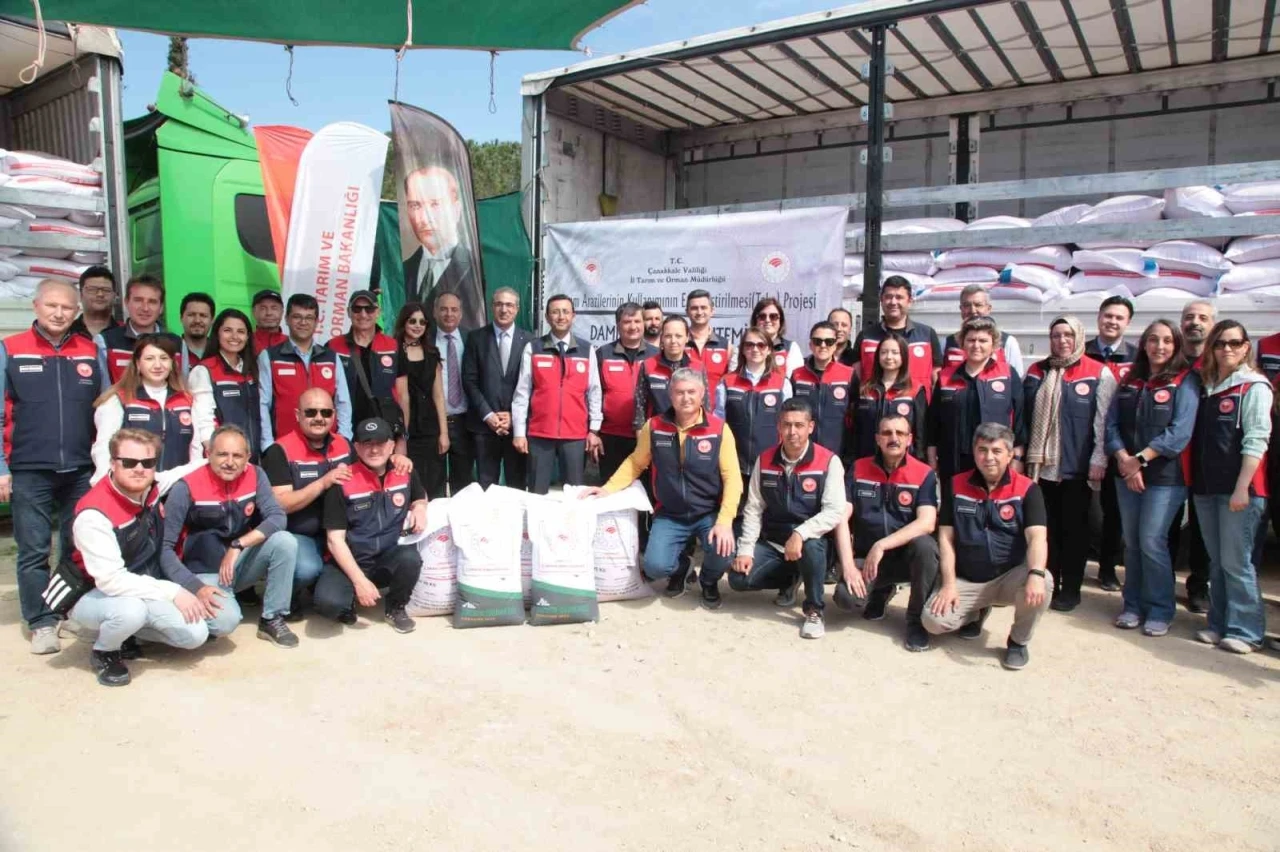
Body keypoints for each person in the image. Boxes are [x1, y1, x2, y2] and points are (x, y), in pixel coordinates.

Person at [0, 279, 109, 654]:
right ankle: (41, 621)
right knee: (33, 549)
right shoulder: (11, 349)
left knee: (76, 545)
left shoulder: (90, 351)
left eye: (67, 307)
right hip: (29, 468)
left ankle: (68, 609)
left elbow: (105, 409)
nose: (59, 314)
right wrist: (2, 468)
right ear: (36, 306)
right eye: (52, 306)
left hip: (80, 469)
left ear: (76, 311)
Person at [61, 429, 211, 686]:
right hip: (90, 591)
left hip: (137, 584)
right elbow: (111, 581)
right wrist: (174, 591)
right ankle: (105, 651)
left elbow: (181, 471)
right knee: (131, 611)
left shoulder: (151, 486)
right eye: (129, 462)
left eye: (148, 462)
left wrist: (216, 456)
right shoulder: (94, 514)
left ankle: (127, 633)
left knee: (195, 634)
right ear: (112, 463)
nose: (139, 469)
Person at [581, 368, 739, 604]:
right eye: (679, 392)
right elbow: (636, 462)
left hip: (707, 513)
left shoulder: (718, 429)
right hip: (670, 514)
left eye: (691, 392)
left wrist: (724, 521)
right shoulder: (654, 427)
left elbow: (732, 478)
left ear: (702, 393)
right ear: (670, 394)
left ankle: (708, 581)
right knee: (654, 567)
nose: (686, 398)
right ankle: (682, 568)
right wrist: (607, 489)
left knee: (724, 551)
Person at [924, 423, 1050, 670]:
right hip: (968, 579)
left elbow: (1037, 538)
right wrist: (949, 584)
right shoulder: (955, 485)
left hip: (1009, 577)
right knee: (933, 622)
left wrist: (1035, 574)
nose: (988, 457)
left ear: (1010, 454)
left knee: (1044, 581)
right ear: (974, 452)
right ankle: (976, 612)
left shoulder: (1028, 489)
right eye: (982, 450)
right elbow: (946, 539)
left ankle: (1018, 642)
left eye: (996, 451)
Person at [160, 425, 299, 646]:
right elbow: (164, 549)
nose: (230, 462)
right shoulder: (185, 487)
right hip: (203, 574)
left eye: (237, 455)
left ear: (247, 457)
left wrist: (238, 545)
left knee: (284, 541)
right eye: (222, 454)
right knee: (226, 623)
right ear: (209, 454)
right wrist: (195, 587)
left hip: (237, 564)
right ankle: (195, 607)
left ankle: (272, 617)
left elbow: (277, 517)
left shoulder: (255, 474)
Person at [1105, 319, 1201, 637]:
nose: (1160, 346)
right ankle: (1132, 605)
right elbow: (1111, 425)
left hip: (1165, 478)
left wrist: (1139, 461)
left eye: (1167, 341)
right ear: (1144, 344)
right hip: (1126, 473)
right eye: (1153, 340)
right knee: (1132, 543)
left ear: (1176, 345)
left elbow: (1179, 433)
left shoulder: (1185, 380)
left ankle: (1160, 609)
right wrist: (1124, 459)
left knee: (1151, 541)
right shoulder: (1131, 379)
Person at [1022, 316, 1115, 611]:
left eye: (1068, 335)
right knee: (1045, 530)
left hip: (1077, 468)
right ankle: (1050, 584)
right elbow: (1024, 416)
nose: (1062, 341)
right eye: (1056, 335)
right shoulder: (1037, 371)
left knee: (1074, 532)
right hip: (1040, 468)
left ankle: (1071, 590)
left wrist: (1099, 459)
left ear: (1079, 337)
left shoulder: (1098, 373)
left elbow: (1104, 422)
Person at [732, 398, 846, 639]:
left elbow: (834, 511)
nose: (792, 431)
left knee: (812, 547)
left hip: (813, 543)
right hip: (775, 543)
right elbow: (754, 508)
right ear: (779, 427)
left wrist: (800, 533)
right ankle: (791, 578)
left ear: (810, 427)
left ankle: (814, 610)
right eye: (786, 425)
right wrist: (746, 550)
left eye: (799, 425)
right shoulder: (765, 460)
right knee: (738, 579)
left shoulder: (829, 461)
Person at [1190, 320, 1272, 654]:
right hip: (1206, 487)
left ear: (1246, 347)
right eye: (1220, 343)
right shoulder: (1208, 386)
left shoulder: (1254, 387)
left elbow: (1257, 440)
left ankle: (1246, 631)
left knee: (1237, 563)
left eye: (1234, 343)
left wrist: (1242, 487)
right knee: (1217, 561)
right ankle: (1219, 623)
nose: (1226, 349)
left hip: (1240, 491)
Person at [835, 413, 939, 652]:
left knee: (925, 546)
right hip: (869, 561)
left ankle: (915, 621)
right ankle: (881, 592)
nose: (894, 438)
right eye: (887, 433)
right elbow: (841, 517)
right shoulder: (858, 468)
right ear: (877, 439)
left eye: (900, 433)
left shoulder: (924, 473)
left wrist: (881, 545)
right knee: (845, 598)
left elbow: (927, 523)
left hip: (907, 559)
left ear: (909, 439)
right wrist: (848, 566)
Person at [315, 417, 427, 632]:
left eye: (380, 443)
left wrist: (420, 508)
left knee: (410, 558)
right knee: (328, 604)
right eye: (367, 444)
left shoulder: (405, 471)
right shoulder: (342, 481)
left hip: (387, 558)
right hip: (350, 562)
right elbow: (334, 540)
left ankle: (396, 607)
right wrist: (359, 581)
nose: (374, 450)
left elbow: (419, 496)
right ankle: (349, 600)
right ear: (357, 447)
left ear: (391, 446)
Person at [511, 294, 603, 494]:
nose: (561, 316)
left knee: (575, 495)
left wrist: (594, 430)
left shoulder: (587, 350)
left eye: (565, 312)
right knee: (537, 495)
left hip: (575, 435)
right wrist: (519, 432)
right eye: (555, 312)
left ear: (573, 316)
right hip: (539, 434)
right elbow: (522, 393)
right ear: (547, 316)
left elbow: (595, 392)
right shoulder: (533, 348)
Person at [928, 316, 1025, 489]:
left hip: (993, 459)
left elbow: (1020, 419)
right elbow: (933, 419)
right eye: (971, 340)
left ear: (993, 344)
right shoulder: (946, 376)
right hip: (954, 459)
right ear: (962, 343)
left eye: (983, 340)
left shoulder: (1008, 374)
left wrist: (1017, 457)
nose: (976, 345)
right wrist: (931, 453)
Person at [91, 334, 201, 482]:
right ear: (137, 363)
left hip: (178, 485)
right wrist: (107, 484)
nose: (158, 365)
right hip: (133, 486)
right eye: (149, 359)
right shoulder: (119, 399)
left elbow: (196, 449)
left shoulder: (187, 400)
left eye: (164, 358)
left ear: (173, 363)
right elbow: (103, 449)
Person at [1085, 294, 1138, 592]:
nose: (1112, 322)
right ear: (1098, 317)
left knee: (1113, 512)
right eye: (1108, 315)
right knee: (1081, 510)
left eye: (1119, 318)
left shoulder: (1137, 358)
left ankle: (1107, 569)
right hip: (1083, 445)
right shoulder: (1082, 352)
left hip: (1119, 448)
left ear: (1127, 323)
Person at [258, 293, 353, 448]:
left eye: (309, 318)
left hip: (327, 446)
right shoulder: (270, 357)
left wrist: (344, 438)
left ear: (316, 322)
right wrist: (268, 444)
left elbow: (343, 403)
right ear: (287, 319)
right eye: (297, 317)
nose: (303, 322)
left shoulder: (331, 357)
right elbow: (263, 404)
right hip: (284, 445)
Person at [1171, 299, 1216, 614]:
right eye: (1189, 317)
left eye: (1202, 317)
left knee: (1202, 530)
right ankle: (1162, 585)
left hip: (1205, 459)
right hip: (1170, 459)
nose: (1195, 322)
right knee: (1166, 528)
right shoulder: (1170, 361)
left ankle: (1199, 586)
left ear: (1212, 325)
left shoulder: (1217, 363)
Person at [462, 287, 532, 489]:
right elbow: (469, 380)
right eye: (499, 304)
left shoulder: (529, 341)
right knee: (486, 487)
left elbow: (533, 385)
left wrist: (513, 416)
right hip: (484, 427)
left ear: (517, 309)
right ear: (492, 307)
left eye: (509, 305)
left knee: (517, 487)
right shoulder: (476, 338)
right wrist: (488, 415)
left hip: (516, 428)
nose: (504, 309)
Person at [401, 165, 484, 330]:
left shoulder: (478, 269)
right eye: (416, 206)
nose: (425, 218)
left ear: (456, 210)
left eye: (435, 204)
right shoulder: (403, 270)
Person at [714, 327, 792, 490]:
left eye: (761, 345)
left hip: (771, 463)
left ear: (769, 350)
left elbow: (788, 423)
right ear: (742, 350)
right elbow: (718, 421)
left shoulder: (782, 383)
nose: (755, 349)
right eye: (749, 345)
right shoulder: (727, 382)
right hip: (735, 463)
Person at [188, 309, 260, 462]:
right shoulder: (204, 370)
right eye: (228, 330)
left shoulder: (252, 369)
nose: (235, 336)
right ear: (217, 334)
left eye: (241, 331)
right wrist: (216, 453)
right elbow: (203, 420)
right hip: (223, 458)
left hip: (251, 455)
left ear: (248, 337)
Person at [852, 276, 942, 395]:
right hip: (875, 403)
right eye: (888, 297)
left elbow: (936, 378)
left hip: (917, 404)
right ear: (881, 300)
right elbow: (856, 379)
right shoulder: (866, 336)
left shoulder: (927, 335)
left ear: (910, 301)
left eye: (899, 297)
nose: (893, 302)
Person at [596, 301, 656, 480]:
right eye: (627, 322)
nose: (633, 327)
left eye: (637, 321)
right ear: (618, 325)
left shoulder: (656, 355)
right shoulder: (603, 353)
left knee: (645, 491)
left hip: (647, 436)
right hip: (610, 437)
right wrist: (594, 433)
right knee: (611, 489)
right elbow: (593, 395)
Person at [849, 333, 928, 463]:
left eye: (895, 352)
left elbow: (921, 432)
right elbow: (855, 429)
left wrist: (920, 460)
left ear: (903, 356)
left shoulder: (915, 389)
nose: (889, 357)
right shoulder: (865, 389)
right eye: (884, 352)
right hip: (867, 460)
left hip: (902, 462)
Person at [327, 289, 399, 430]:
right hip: (345, 429)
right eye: (357, 309)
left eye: (369, 309)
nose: (363, 314)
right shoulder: (332, 346)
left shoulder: (393, 346)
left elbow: (402, 394)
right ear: (348, 312)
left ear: (378, 312)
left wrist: (402, 435)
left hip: (385, 430)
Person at [393, 303, 447, 490]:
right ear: (404, 322)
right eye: (412, 321)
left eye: (422, 322)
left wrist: (444, 433)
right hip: (405, 427)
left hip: (430, 428)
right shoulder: (394, 351)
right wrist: (403, 436)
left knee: (435, 481)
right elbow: (402, 396)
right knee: (409, 480)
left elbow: (438, 396)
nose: (417, 326)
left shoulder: (432, 353)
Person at [428, 291, 475, 497]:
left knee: (463, 484)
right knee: (434, 482)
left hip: (464, 421)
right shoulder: (424, 339)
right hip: (433, 421)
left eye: (454, 310)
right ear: (435, 312)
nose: (449, 314)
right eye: (444, 309)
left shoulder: (472, 338)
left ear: (461, 313)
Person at [97, 274, 179, 384]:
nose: (145, 308)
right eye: (138, 300)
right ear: (126, 302)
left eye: (152, 302)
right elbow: (104, 390)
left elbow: (181, 387)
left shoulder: (178, 344)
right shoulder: (105, 342)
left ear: (161, 308)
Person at [789, 320, 855, 456]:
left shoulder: (849, 375)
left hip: (838, 453)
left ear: (835, 345)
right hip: (803, 452)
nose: (823, 345)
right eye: (817, 341)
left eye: (829, 341)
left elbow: (856, 417)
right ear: (810, 345)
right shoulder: (797, 375)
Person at [941, 284, 1024, 374]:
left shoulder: (1008, 342)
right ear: (961, 309)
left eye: (978, 305)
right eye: (967, 305)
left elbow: (1016, 378)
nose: (973, 310)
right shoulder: (947, 343)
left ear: (989, 309)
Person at [634, 316, 698, 429]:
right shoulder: (648, 365)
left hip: (690, 431)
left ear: (687, 337)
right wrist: (640, 434)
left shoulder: (697, 367)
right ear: (662, 338)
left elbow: (704, 405)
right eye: (668, 336)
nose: (673, 341)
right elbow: (639, 407)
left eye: (678, 336)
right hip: (657, 431)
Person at [685, 290, 732, 392]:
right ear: (687, 312)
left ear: (712, 311)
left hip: (715, 403)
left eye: (703, 307)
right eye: (694, 308)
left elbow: (731, 383)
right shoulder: (679, 344)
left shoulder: (726, 346)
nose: (699, 312)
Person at [751, 297, 803, 377]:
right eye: (762, 316)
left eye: (773, 316)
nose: (767, 320)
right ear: (755, 321)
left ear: (780, 321)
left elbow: (795, 379)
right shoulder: (744, 348)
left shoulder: (791, 348)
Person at [69, 265, 119, 338]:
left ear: (114, 295)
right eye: (92, 289)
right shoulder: (66, 333)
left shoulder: (125, 335)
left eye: (106, 290)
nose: (100, 294)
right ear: (80, 295)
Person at [177, 291, 215, 376]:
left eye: (203, 315)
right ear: (181, 318)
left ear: (212, 320)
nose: (197, 320)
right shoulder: (172, 351)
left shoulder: (220, 352)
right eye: (191, 315)